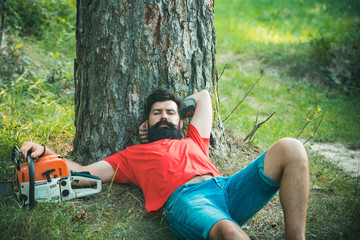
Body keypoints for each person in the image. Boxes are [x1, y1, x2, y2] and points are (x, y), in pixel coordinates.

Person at [20, 89, 309, 240]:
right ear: (146, 122)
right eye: (156, 113)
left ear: (181, 120)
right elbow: (81, 173)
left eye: (170, 113)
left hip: (226, 187)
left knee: (291, 148)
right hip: (187, 200)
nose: (164, 117)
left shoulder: (194, 140)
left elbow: (203, 97)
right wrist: (45, 152)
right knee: (230, 233)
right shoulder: (132, 156)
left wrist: (177, 109)